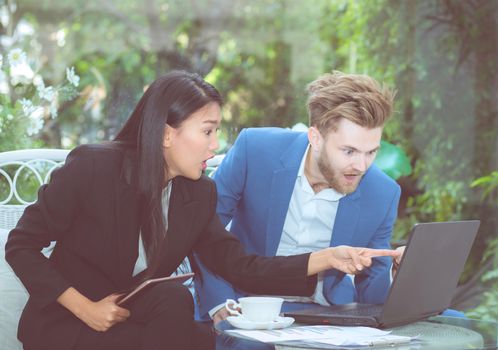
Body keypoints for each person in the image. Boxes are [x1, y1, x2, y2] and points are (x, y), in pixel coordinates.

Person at [5, 71, 399, 350]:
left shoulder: (197, 195)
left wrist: (325, 258)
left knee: (181, 309)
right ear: (166, 133)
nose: (215, 145)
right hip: (70, 325)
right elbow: (21, 245)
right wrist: (84, 308)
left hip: (133, 322)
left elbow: (242, 267)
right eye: (208, 131)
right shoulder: (93, 167)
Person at [194, 71, 402, 323]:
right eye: (349, 151)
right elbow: (202, 229)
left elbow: (373, 295)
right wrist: (219, 303)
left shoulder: (383, 192)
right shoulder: (255, 150)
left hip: (327, 314)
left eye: (371, 152)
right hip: (245, 302)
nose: (361, 165)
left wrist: (398, 273)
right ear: (315, 138)